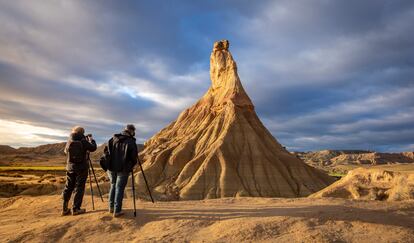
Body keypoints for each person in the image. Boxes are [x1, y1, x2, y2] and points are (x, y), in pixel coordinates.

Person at [61, 126, 97, 216]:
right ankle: (76, 208)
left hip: (70, 167)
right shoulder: (83, 140)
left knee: (68, 186)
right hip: (81, 167)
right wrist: (91, 140)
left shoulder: (69, 140)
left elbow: (65, 152)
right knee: (79, 187)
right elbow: (93, 148)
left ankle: (64, 209)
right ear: (82, 132)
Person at [107, 124, 138, 217]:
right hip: (123, 169)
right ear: (131, 131)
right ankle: (117, 211)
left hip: (111, 168)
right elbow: (133, 158)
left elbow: (106, 152)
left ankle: (111, 207)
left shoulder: (113, 139)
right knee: (119, 188)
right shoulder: (131, 141)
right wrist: (131, 165)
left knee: (113, 186)